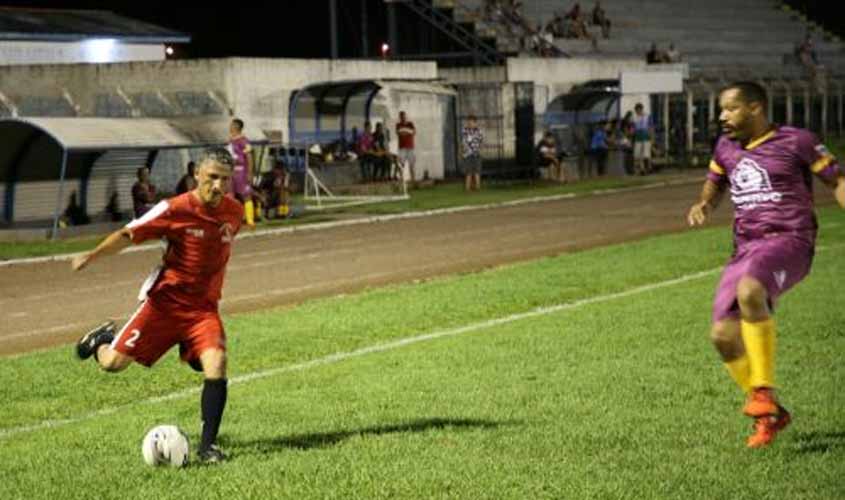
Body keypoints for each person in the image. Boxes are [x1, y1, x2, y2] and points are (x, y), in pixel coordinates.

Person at [686, 81, 845, 448]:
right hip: (746, 249)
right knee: (723, 337)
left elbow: (835, 180)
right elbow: (715, 180)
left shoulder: (797, 141)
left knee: (750, 291)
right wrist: (705, 204)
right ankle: (770, 411)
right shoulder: (726, 147)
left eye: (731, 108)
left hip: (790, 240)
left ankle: (761, 392)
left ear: (755, 108)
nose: (722, 117)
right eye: (721, 110)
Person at [72, 147, 244, 463]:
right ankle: (101, 342)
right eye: (212, 178)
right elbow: (129, 233)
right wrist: (93, 255)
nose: (218, 186)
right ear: (196, 174)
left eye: (225, 180)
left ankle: (208, 448)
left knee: (216, 364)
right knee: (112, 364)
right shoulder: (173, 208)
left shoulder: (234, 212)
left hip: (203, 311)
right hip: (165, 305)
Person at [228, 118, 256, 227]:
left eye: (231, 125)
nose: (229, 127)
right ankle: (232, 220)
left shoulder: (244, 141)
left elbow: (249, 157)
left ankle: (250, 220)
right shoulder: (230, 140)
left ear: (236, 127)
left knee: (246, 195)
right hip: (231, 172)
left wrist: (250, 173)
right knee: (230, 196)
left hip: (242, 171)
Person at [461, 115, 484, 191]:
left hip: (477, 154)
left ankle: (478, 188)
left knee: (477, 171)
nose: (469, 123)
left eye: (471, 122)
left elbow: (481, 141)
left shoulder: (479, 131)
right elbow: (464, 142)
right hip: (468, 154)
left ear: (475, 122)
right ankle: (467, 189)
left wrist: (479, 150)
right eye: (469, 122)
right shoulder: (465, 130)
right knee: (468, 172)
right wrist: (463, 151)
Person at [396, 111, 417, 186]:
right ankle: (401, 180)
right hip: (402, 148)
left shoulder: (410, 124)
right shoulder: (398, 125)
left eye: (404, 116)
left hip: (410, 147)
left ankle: (413, 180)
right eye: (401, 116)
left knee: (412, 164)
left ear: (406, 116)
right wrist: (408, 132)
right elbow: (400, 133)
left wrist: (406, 131)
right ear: (400, 117)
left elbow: (414, 132)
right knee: (401, 164)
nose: (403, 118)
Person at [632, 103, 653, 175]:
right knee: (638, 155)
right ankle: (642, 169)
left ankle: (648, 168)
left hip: (646, 137)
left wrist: (651, 137)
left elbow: (650, 127)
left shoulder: (647, 116)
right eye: (636, 111)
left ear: (641, 109)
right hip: (638, 138)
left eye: (638, 110)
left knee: (646, 155)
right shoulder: (635, 118)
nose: (637, 112)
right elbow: (634, 128)